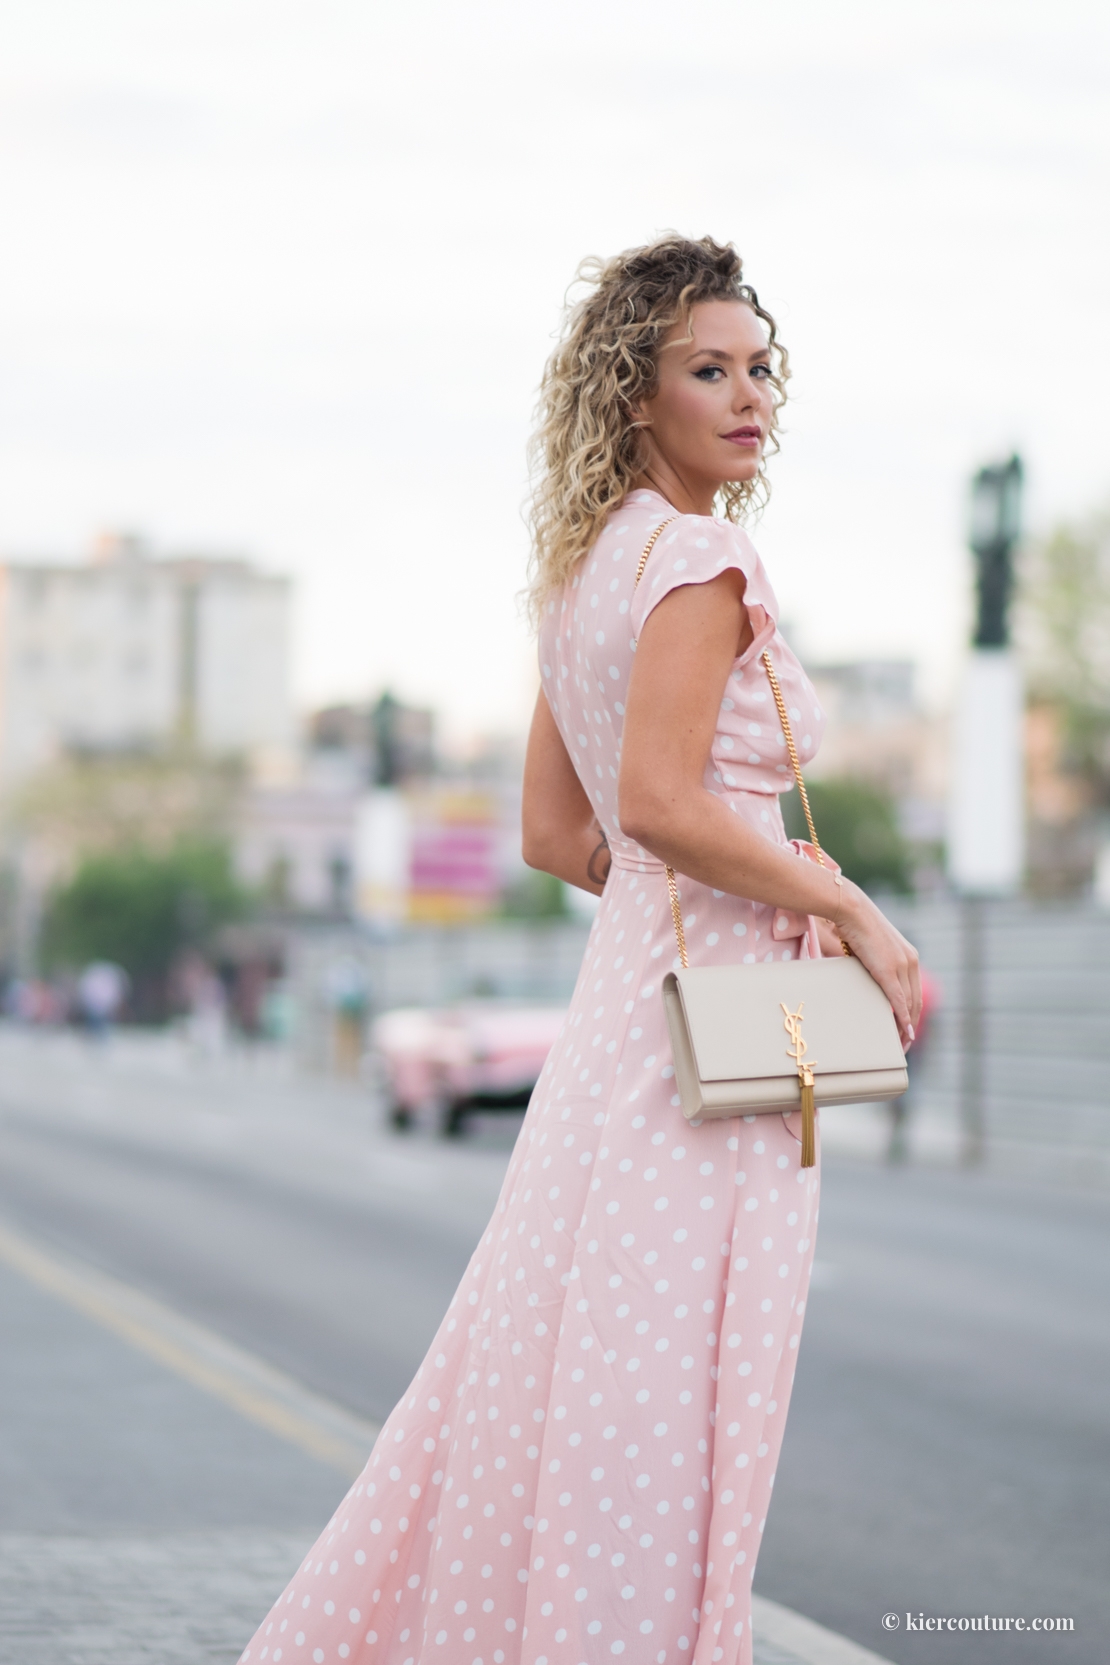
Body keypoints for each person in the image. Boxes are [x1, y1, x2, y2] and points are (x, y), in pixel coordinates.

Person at [237, 235, 920, 1665]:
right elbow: (666, 802)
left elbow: (564, 832)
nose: (748, 398)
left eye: (757, 368)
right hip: (718, 1039)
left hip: (620, 1024)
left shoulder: (583, 572)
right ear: (634, 394)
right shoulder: (701, 557)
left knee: (563, 1384)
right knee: (666, 1404)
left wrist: (684, 882)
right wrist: (833, 904)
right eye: (707, 370)